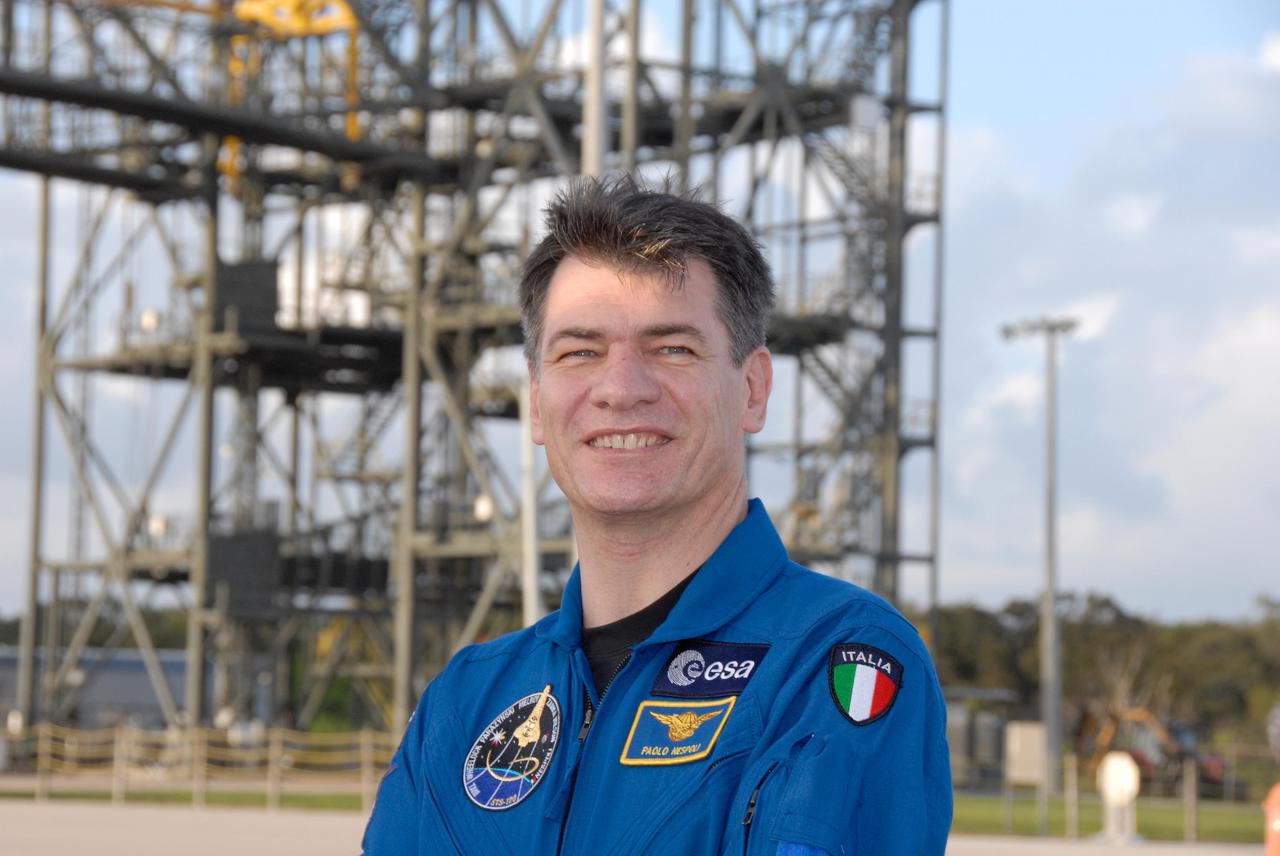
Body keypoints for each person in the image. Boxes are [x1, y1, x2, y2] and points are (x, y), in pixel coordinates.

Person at [362, 177, 951, 855]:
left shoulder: (834, 666)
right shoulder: (465, 702)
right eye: (580, 352)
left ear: (753, 389)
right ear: (535, 399)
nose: (621, 389)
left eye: (672, 348)